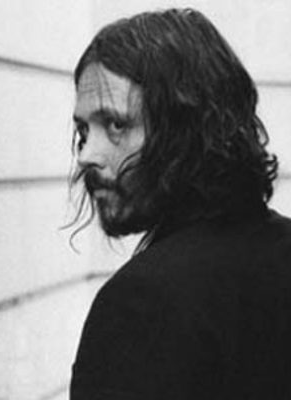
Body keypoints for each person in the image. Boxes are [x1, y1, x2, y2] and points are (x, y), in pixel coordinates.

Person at [68, 8, 291, 400]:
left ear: (187, 129)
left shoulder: (142, 302)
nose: (86, 154)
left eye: (116, 124)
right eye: (84, 130)